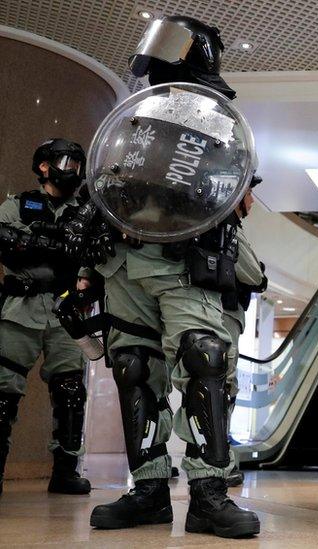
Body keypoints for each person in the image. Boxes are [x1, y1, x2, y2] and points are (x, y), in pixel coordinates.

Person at [79, 15, 259, 538]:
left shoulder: (219, 116)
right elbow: (111, 176)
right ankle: (149, 491)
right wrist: (88, 241)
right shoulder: (141, 109)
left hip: (184, 259)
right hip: (122, 260)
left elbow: (233, 187)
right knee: (133, 367)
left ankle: (207, 495)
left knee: (204, 359)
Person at [0, 139, 91, 496]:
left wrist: (35, 244)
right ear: (43, 166)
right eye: (66, 163)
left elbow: (89, 255)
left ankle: (65, 472)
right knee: (2, 395)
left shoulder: (84, 213)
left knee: (70, 394)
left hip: (64, 314)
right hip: (19, 313)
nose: (73, 171)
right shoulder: (18, 205)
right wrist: (51, 246)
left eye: (77, 165)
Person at [221, 176, 267, 488]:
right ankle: (219, 463)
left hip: (212, 314)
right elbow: (254, 275)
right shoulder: (228, 229)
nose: (252, 200)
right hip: (223, 315)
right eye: (250, 193)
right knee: (221, 387)